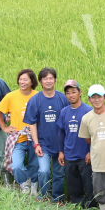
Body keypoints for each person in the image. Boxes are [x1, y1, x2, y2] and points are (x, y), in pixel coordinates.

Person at [24, 67, 69, 202]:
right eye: (45, 78)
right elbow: (32, 123)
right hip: (43, 143)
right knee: (43, 171)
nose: (48, 81)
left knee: (59, 173)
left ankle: (57, 198)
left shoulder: (62, 98)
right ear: (40, 81)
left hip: (60, 143)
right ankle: (43, 195)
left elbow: (68, 120)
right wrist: (36, 144)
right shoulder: (35, 100)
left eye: (51, 78)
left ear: (55, 80)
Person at [0, 69, 40, 194]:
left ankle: (34, 187)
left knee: (34, 165)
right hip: (17, 138)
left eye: (25, 79)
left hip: (34, 138)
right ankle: (24, 183)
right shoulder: (11, 96)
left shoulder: (38, 96)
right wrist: (4, 127)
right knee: (16, 165)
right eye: (20, 79)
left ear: (32, 81)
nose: (22, 82)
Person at [56, 80, 95, 209]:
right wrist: (61, 152)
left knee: (89, 183)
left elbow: (93, 134)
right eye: (68, 93)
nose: (71, 95)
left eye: (74, 92)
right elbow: (61, 132)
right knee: (73, 184)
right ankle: (78, 206)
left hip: (84, 155)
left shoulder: (88, 111)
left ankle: (91, 207)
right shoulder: (64, 112)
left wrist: (90, 151)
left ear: (80, 92)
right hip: (69, 154)